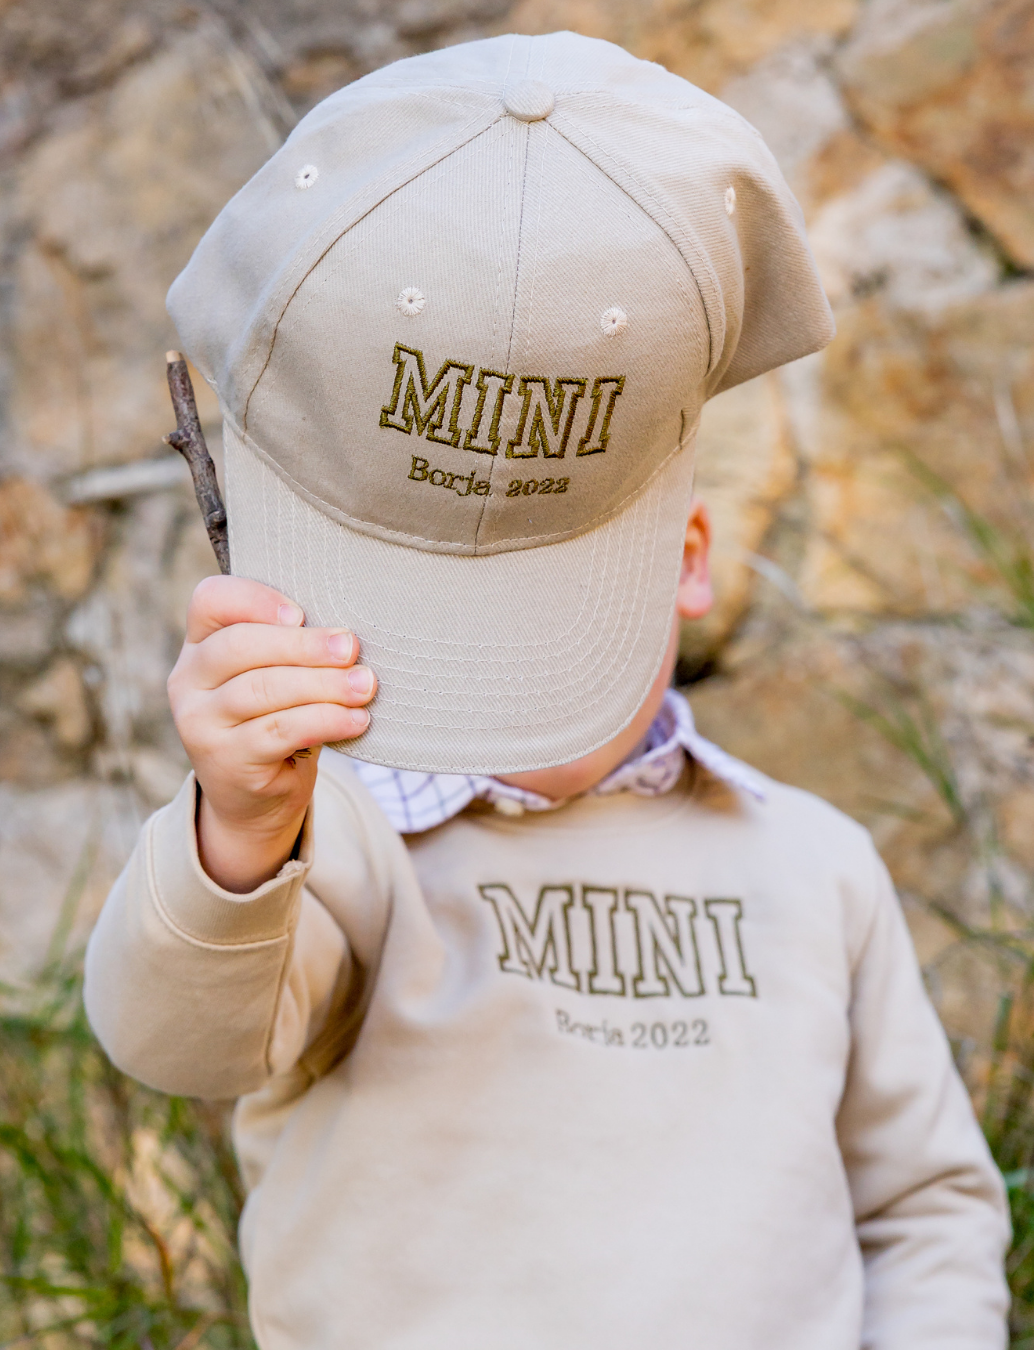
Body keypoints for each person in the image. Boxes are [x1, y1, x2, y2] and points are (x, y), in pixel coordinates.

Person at [84, 30, 1010, 1350]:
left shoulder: (819, 869)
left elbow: (923, 1204)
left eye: (518, 635)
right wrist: (236, 832)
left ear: (688, 564)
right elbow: (178, 1041)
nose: (470, 706)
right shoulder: (339, 843)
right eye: (412, 622)